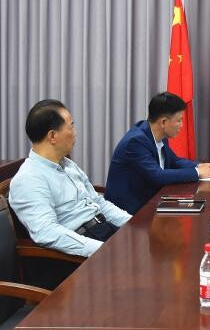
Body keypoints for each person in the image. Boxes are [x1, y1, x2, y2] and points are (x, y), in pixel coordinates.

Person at [10, 99, 131, 258]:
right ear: (52, 136)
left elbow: (98, 203)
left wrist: (134, 224)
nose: (75, 132)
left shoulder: (67, 165)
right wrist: (104, 250)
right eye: (71, 127)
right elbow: (47, 232)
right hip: (78, 250)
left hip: (103, 229)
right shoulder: (29, 179)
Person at [105, 92, 210, 214]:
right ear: (163, 122)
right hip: (129, 211)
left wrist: (198, 166)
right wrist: (197, 172)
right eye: (179, 120)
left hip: (151, 201)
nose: (182, 125)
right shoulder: (135, 142)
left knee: (198, 209)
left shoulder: (158, 134)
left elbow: (174, 161)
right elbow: (157, 176)